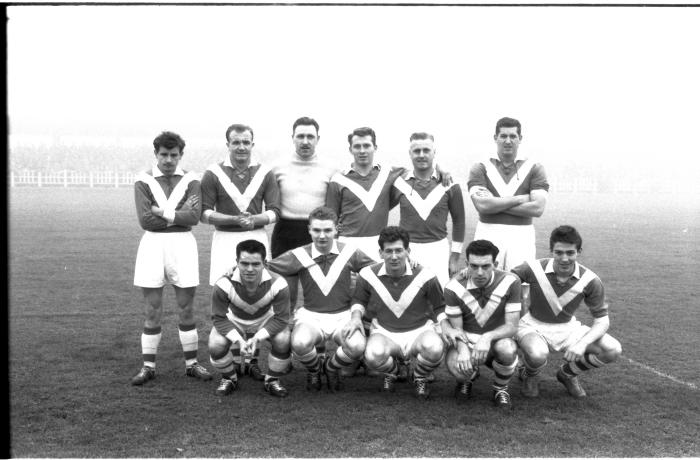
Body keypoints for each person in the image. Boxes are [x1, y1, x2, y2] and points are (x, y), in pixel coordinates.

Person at [131, 131, 212, 385]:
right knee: (152, 309)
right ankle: (148, 367)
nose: (168, 160)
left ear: (181, 155)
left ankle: (192, 364)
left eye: (173, 155)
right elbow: (145, 220)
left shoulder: (191, 179)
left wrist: (162, 212)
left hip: (183, 245)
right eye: (163, 155)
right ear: (156, 154)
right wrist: (177, 214)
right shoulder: (143, 179)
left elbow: (193, 218)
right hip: (152, 245)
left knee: (186, 308)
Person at [201, 123, 281, 376]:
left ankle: (253, 360)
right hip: (225, 239)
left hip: (256, 238)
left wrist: (255, 220)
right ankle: (235, 359)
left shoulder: (265, 172)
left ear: (252, 144)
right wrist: (234, 220)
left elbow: (275, 211)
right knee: (228, 297)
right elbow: (204, 213)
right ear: (228, 145)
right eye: (236, 142)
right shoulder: (213, 173)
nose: (241, 147)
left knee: (255, 296)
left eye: (246, 142)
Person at [267, 206, 376, 392]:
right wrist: (234, 270)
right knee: (300, 343)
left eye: (327, 230)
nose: (322, 236)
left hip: (344, 317)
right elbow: (265, 266)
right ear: (309, 229)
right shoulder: (299, 254)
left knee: (357, 346)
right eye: (316, 230)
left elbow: (379, 270)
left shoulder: (350, 252)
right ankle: (315, 369)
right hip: (311, 316)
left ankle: (331, 368)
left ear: (336, 229)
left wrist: (409, 263)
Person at [511, 225, 622, 398]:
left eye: (570, 253)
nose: (564, 258)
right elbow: (503, 279)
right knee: (537, 354)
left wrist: (583, 344)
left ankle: (567, 374)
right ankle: (530, 376)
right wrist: (469, 273)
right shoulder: (533, 268)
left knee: (612, 349)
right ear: (551, 251)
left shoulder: (590, 280)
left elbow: (602, 321)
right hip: (532, 325)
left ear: (579, 251)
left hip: (568, 328)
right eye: (559, 252)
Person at [342, 226, 448, 399]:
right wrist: (355, 318)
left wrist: (445, 326)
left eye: (399, 250)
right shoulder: (367, 274)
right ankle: (394, 371)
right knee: (372, 355)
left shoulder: (426, 275)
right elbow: (359, 300)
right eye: (388, 251)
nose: (394, 256)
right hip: (385, 332)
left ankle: (419, 376)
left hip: (419, 331)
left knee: (435, 348)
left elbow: (439, 306)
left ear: (408, 251)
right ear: (380, 253)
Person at [208, 239, 292, 398]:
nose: (250, 269)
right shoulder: (223, 284)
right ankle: (230, 378)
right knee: (215, 344)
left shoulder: (279, 283)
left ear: (264, 263)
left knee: (283, 338)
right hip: (235, 319)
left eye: (256, 264)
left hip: (265, 319)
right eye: (244, 263)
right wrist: (239, 340)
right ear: (236, 262)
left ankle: (272, 380)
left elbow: (281, 319)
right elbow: (218, 318)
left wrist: (257, 337)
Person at [442, 240, 521, 408]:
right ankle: (467, 379)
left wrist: (487, 337)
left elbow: (512, 326)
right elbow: (457, 329)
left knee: (507, 349)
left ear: (496, 264)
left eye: (485, 266)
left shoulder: (511, 282)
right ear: (466, 264)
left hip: (496, 340)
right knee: (458, 367)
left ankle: (500, 388)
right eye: (474, 266)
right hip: (467, 340)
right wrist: (463, 351)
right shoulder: (453, 287)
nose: (479, 272)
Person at [271, 117, 337, 309]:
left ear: (318, 139)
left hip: (318, 233)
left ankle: (318, 336)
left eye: (310, 136)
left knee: (321, 292)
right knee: (285, 295)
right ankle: (284, 335)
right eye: (301, 136)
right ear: (293, 138)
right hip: (285, 233)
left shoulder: (331, 168)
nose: (305, 141)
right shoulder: (277, 167)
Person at [467, 117, 549, 271]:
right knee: (485, 280)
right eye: (503, 136)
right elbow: (482, 206)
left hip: (522, 234)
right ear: (495, 138)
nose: (508, 141)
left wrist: (495, 203)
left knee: (520, 281)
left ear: (520, 139)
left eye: (513, 136)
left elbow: (537, 209)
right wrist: (520, 199)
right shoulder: (480, 167)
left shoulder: (535, 167)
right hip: (488, 230)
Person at [392, 132, 465, 287]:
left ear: (434, 153)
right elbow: (381, 208)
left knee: (439, 297)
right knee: (409, 296)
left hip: (438, 248)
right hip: (407, 248)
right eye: (417, 151)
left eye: (426, 150)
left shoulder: (450, 184)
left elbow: (459, 221)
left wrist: (454, 257)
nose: (422, 155)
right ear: (410, 154)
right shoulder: (399, 182)